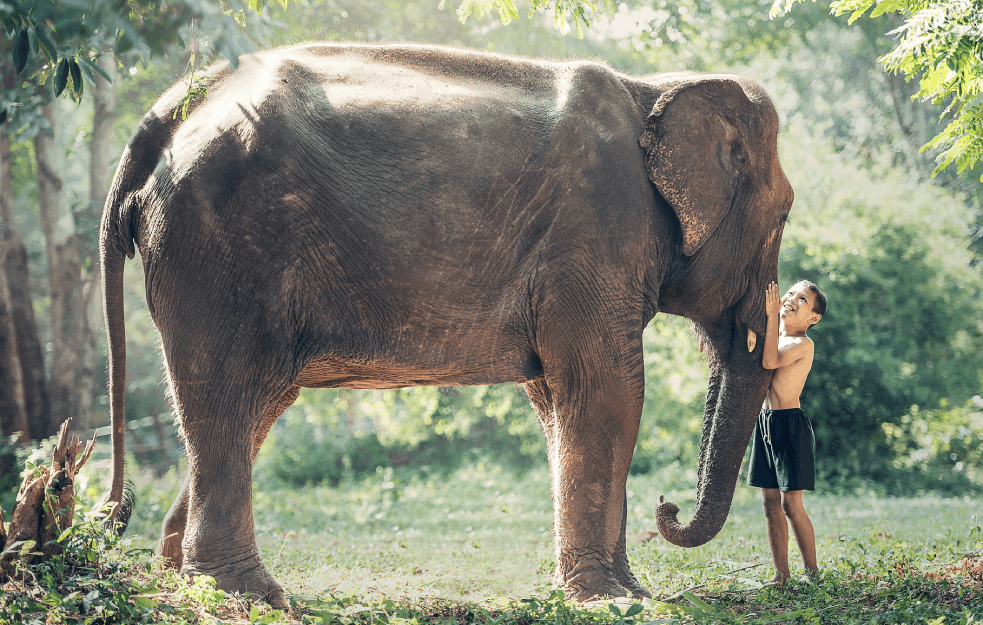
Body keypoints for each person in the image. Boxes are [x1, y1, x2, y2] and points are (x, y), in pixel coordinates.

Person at [747, 279, 827, 584]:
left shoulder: (802, 343)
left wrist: (769, 316)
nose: (791, 299)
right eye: (791, 293)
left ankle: (813, 573)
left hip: (790, 426)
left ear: (813, 318)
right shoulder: (775, 336)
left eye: (802, 300)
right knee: (769, 504)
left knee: (791, 505)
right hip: (765, 423)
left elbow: (770, 360)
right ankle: (781, 574)